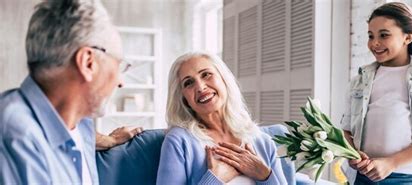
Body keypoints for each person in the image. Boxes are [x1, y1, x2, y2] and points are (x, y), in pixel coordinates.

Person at [0, 0, 125, 184]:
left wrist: (110, 140)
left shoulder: (81, 125)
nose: (120, 82)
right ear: (88, 63)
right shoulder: (15, 136)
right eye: (119, 65)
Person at [340, 2, 412, 184]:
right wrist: (352, 154)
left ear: (408, 37)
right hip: (361, 176)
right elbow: (346, 131)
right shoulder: (359, 79)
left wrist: (391, 163)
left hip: (405, 177)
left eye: (384, 35)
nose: (374, 43)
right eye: (370, 36)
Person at [156, 52, 287, 184]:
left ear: (224, 79)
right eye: (188, 83)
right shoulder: (179, 140)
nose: (201, 87)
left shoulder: (263, 141)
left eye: (206, 74)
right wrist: (214, 179)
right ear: (184, 99)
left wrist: (265, 175)